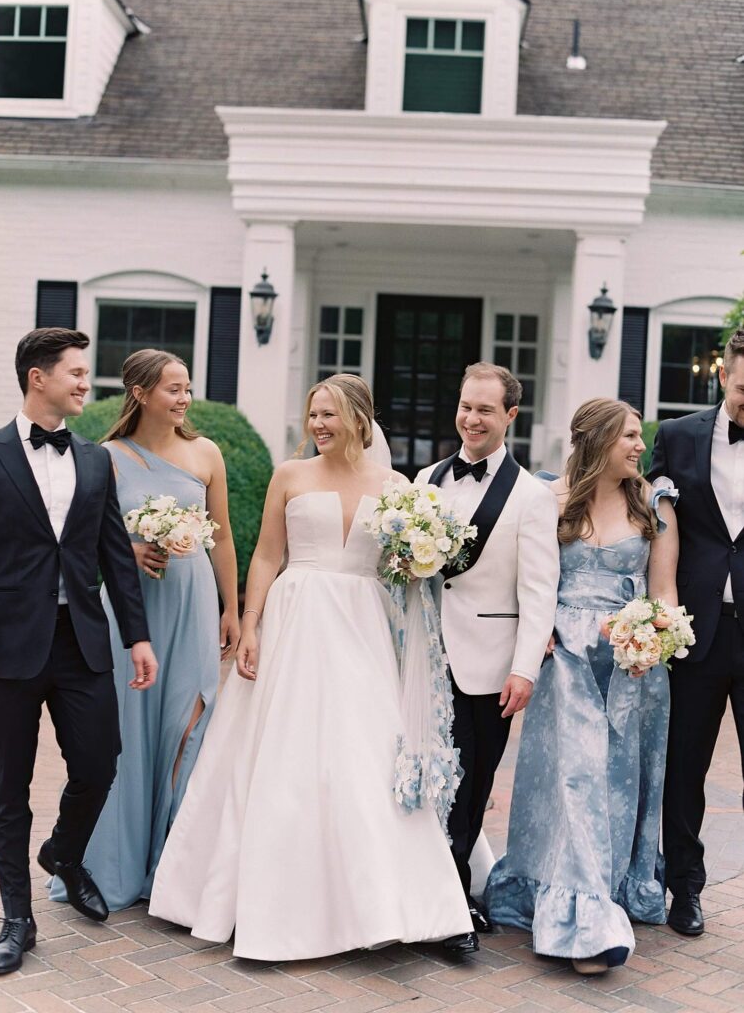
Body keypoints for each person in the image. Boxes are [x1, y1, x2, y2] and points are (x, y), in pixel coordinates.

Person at [149, 373, 472, 959]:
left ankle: (377, 904)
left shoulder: (396, 484)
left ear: (359, 418)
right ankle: (270, 901)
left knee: (365, 753)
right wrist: (250, 625)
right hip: (296, 623)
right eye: (312, 415)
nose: (318, 425)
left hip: (365, 626)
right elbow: (268, 553)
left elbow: (406, 572)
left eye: (329, 415)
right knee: (283, 751)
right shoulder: (290, 475)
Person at [486, 398, 679, 975]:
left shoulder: (653, 502)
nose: (639, 446)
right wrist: (534, 629)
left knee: (615, 781)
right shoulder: (549, 499)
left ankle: (605, 894)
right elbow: (523, 577)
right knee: (573, 778)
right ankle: (584, 921)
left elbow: (663, 591)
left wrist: (654, 638)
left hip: (630, 662)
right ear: (596, 441)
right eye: (628, 436)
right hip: (564, 658)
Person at [0, 328, 158, 976]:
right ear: (39, 377)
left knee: (99, 763)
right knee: (6, 790)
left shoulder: (95, 460)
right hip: (6, 647)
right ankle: (17, 920)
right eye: (77, 373)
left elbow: (114, 554)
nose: (87, 384)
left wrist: (136, 637)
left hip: (81, 640)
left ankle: (63, 850)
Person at [50, 349, 239, 912]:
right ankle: (112, 864)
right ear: (139, 392)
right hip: (129, 613)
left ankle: (173, 871)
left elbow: (223, 536)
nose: (184, 399)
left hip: (193, 601)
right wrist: (126, 551)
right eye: (173, 389)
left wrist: (234, 607)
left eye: (187, 389)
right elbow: (76, 542)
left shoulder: (206, 452)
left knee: (189, 723)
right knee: (125, 734)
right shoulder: (104, 457)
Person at [415, 362, 560, 955]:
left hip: (492, 664)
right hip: (425, 657)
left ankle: (455, 894)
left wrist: (525, 668)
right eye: (465, 406)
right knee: (424, 775)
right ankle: (437, 892)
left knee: (472, 784)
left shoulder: (531, 496)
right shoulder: (426, 478)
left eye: (485, 410)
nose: (471, 419)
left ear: (509, 417)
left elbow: (539, 590)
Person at [648, 329, 744, 937]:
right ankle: (684, 887)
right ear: (723, 376)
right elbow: (647, 516)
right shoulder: (678, 437)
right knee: (684, 769)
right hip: (697, 632)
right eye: (743, 389)